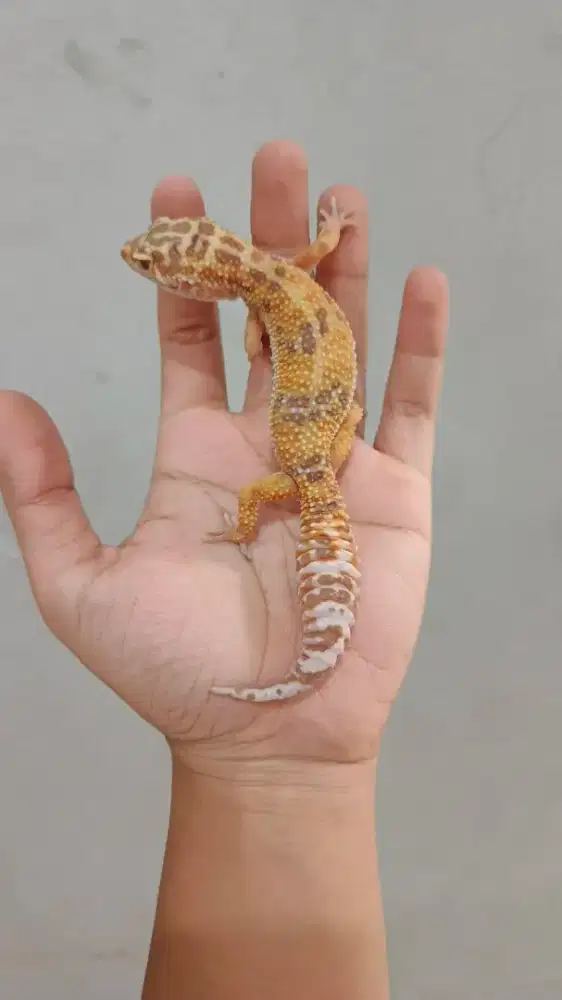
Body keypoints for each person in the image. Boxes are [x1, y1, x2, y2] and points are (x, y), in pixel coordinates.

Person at [0, 139, 448, 999]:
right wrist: (330, 232)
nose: (142, 262)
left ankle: (287, 596)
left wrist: (247, 520)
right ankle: (305, 636)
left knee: (291, 479)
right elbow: (305, 268)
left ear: (203, 277)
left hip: (309, 459)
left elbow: (261, 332)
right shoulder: (280, 278)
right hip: (332, 427)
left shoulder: (255, 306)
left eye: (154, 260)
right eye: (147, 258)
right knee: (318, 447)